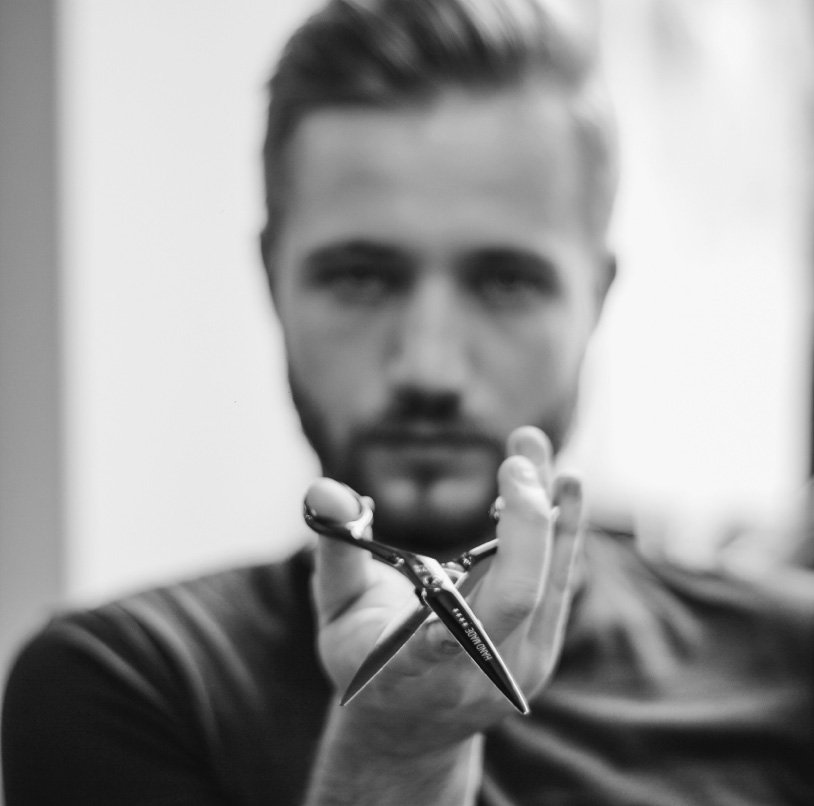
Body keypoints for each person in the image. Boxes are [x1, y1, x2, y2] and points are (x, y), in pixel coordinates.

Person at [3, 1, 813, 803]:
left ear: (595, 298)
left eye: (506, 282)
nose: (430, 366)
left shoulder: (793, 664)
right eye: (361, 278)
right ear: (274, 282)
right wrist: (396, 753)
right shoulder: (125, 684)